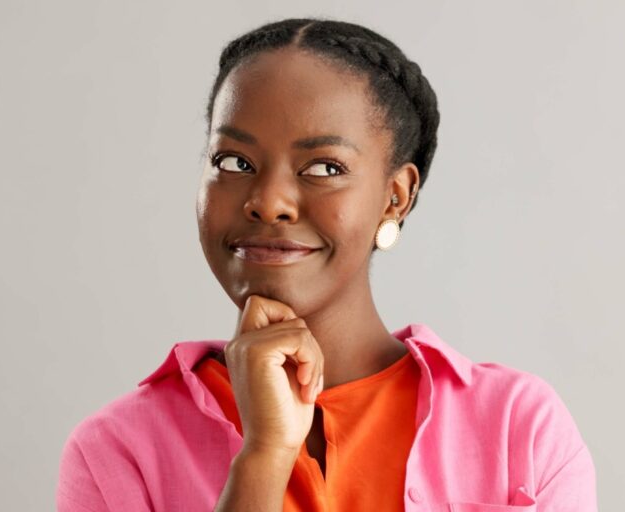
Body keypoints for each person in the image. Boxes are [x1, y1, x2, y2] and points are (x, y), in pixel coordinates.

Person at [57, 17, 597, 512]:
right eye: (234, 162)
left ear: (395, 197)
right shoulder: (117, 450)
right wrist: (264, 458)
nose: (269, 201)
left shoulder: (515, 429)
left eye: (324, 166)